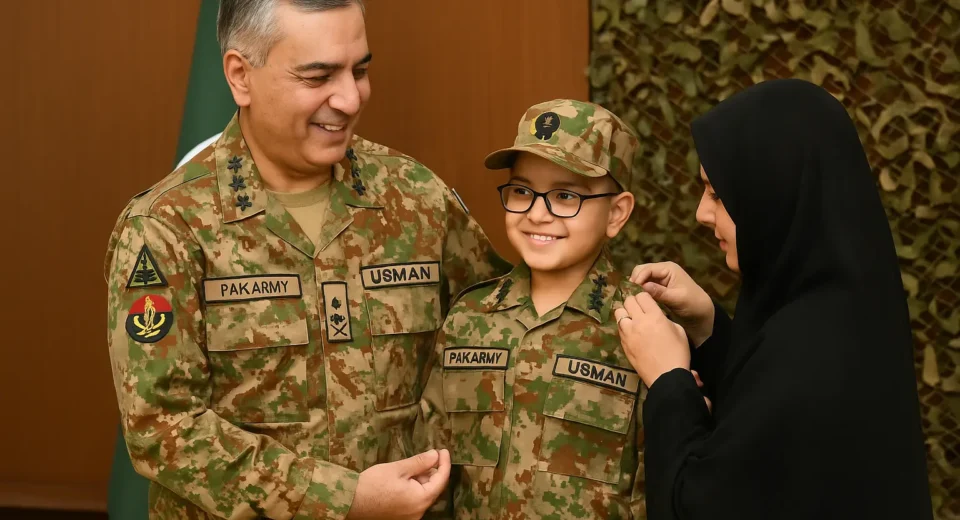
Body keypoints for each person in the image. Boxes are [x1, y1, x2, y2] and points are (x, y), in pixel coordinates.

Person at [103, 1, 510, 518]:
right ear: (240, 75)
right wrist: (345, 500)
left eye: (360, 70)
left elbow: (504, 322)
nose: (349, 98)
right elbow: (163, 429)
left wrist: (625, 301)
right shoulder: (167, 228)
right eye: (318, 76)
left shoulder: (416, 198)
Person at [614, 78, 933, 519]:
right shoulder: (842, 308)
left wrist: (669, 380)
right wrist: (707, 327)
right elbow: (768, 436)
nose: (701, 214)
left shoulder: (810, 353)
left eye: (718, 194)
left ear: (772, 196)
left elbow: (702, 504)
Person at [416, 99, 660, 518]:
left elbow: (659, 486)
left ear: (616, 214)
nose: (537, 213)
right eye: (522, 191)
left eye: (566, 196)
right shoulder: (469, 319)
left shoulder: (641, 326)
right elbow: (432, 469)